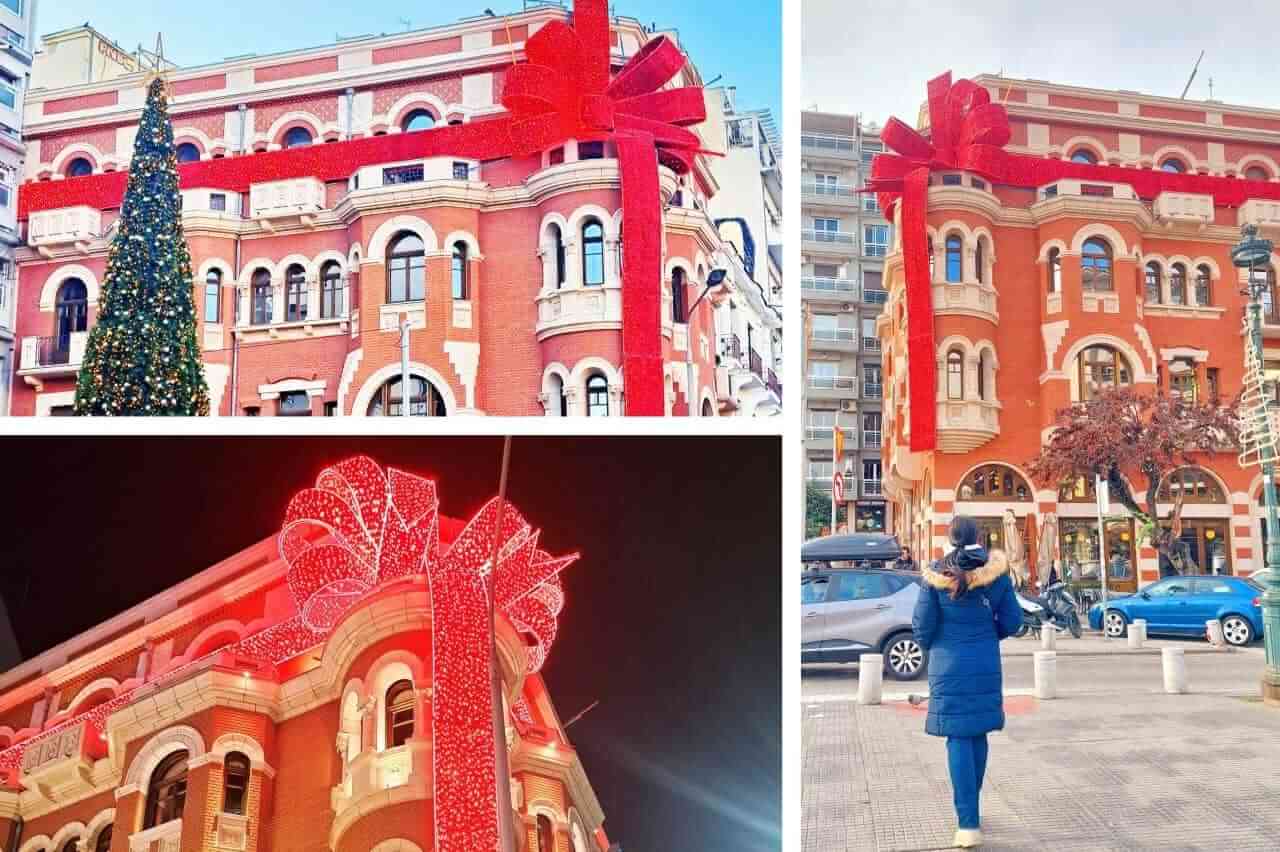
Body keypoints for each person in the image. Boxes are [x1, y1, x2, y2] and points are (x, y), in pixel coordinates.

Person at [912, 516, 1023, 848]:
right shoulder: (996, 574)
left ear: (950, 537)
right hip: (984, 660)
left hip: (947, 665)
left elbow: (922, 628)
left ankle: (967, 823)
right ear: (978, 537)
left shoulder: (935, 574)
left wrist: (941, 644)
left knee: (958, 738)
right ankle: (970, 812)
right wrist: (989, 635)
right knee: (977, 733)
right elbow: (1013, 622)